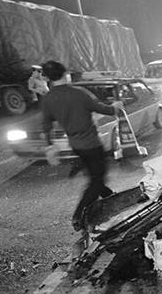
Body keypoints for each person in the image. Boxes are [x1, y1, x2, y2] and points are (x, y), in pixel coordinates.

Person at [40, 60, 124, 231]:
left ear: (48, 78)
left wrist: (49, 146)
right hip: (91, 144)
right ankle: (78, 215)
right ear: (65, 74)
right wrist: (116, 106)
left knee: (95, 176)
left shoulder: (48, 99)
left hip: (76, 145)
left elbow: (46, 125)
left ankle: (109, 197)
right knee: (97, 180)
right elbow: (104, 109)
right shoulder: (78, 93)